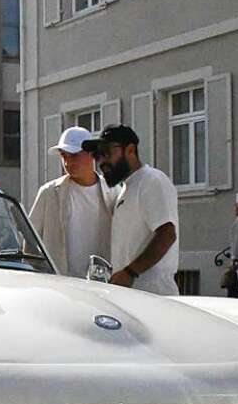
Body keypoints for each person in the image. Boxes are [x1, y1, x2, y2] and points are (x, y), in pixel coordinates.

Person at [91, 124, 179, 295]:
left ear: (130, 150)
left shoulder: (152, 181)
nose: (101, 162)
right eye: (97, 155)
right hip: (131, 297)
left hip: (154, 297)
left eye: (107, 153)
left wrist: (130, 272)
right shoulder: (125, 188)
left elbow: (167, 234)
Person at [28, 126, 113, 277]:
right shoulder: (49, 192)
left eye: (74, 155)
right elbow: (30, 240)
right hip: (61, 285)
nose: (67, 162)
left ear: (91, 154)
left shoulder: (113, 192)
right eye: (64, 156)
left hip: (101, 284)